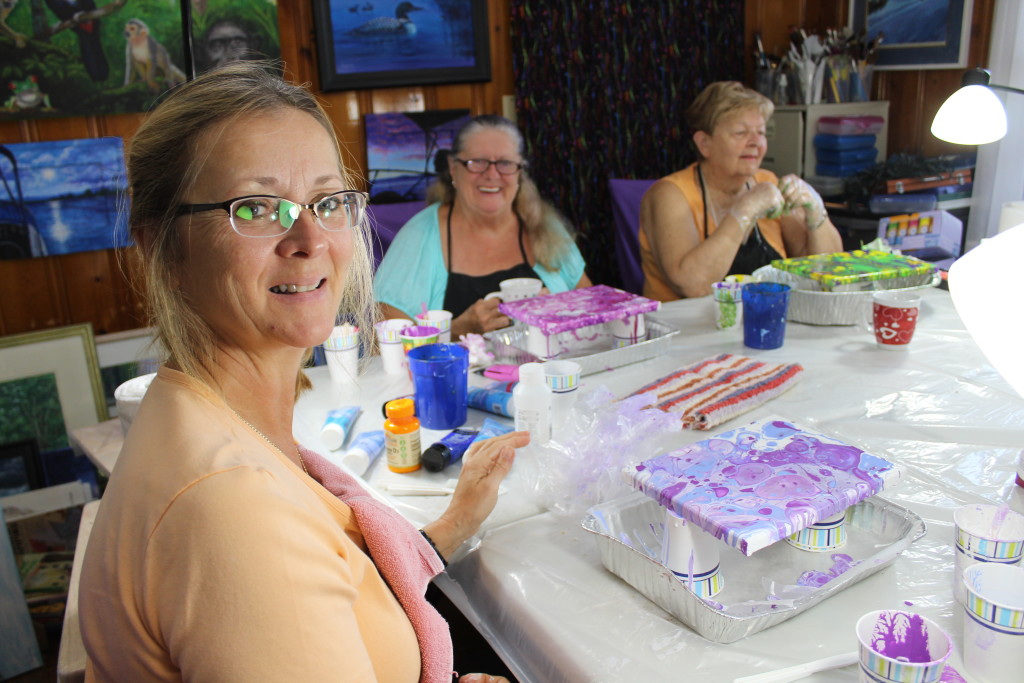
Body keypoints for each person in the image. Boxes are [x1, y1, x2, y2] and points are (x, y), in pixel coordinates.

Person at [78, 62, 527, 683]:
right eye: (257, 207)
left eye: (327, 201)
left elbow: (329, 580)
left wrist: (453, 524)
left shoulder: (200, 410)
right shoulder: (233, 510)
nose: (310, 237)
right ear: (162, 246)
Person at [374, 115, 592, 337]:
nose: (492, 174)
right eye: (477, 162)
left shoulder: (545, 227)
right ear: (453, 168)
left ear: (519, 172)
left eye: (505, 163)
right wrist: (454, 332)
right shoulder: (419, 236)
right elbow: (383, 340)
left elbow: (593, 313)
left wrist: (559, 314)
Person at [639, 81, 843, 301]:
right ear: (704, 143)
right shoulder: (669, 195)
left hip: (761, 320)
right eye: (740, 133)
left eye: (761, 132)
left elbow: (827, 273)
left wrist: (816, 213)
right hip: (688, 329)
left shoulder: (767, 182)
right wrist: (745, 210)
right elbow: (693, 287)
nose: (755, 142)